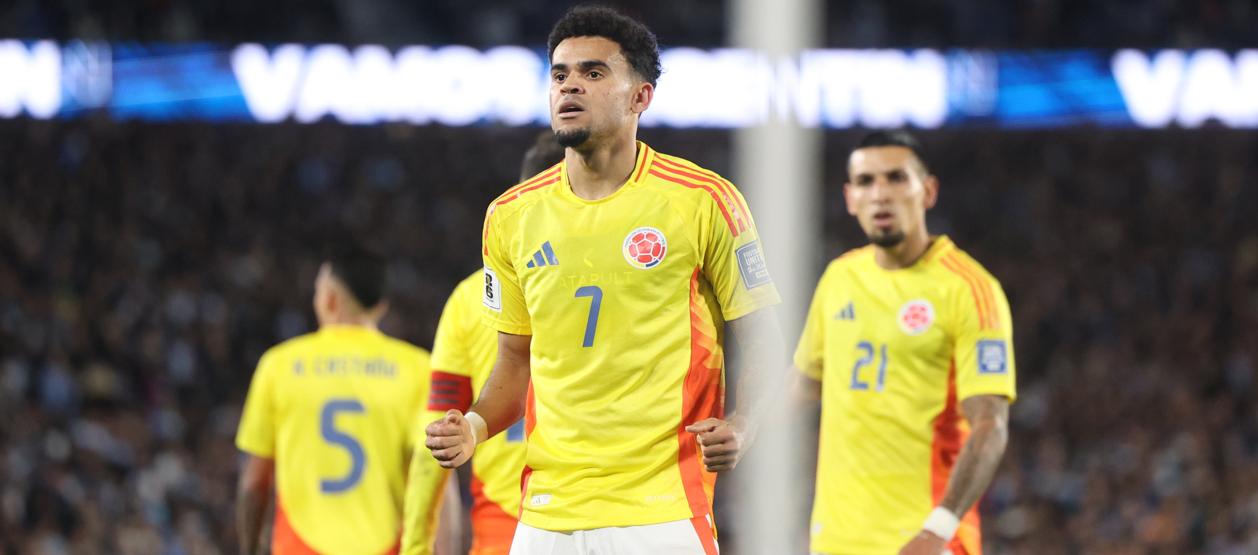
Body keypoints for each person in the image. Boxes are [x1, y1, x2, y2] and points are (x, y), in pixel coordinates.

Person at [426, 6, 785, 554]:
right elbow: (514, 361)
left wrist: (743, 423)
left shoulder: (703, 201)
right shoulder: (509, 216)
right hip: (545, 514)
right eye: (559, 74)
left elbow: (764, 338)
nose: (570, 85)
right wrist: (473, 427)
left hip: (661, 510)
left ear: (641, 96)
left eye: (593, 73)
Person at [794, 131, 1015, 555]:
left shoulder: (969, 289)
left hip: (927, 540)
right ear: (850, 198)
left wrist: (938, 528)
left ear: (927, 191)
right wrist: (738, 427)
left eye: (896, 179)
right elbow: (804, 382)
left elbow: (990, 424)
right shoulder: (840, 278)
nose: (881, 194)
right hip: (837, 541)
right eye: (866, 181)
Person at [402, 131, 565, 555]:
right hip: (608, 518)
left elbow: (437, 437)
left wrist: (417, 546)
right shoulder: (620, 282)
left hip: (503, 529)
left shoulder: (469, 299)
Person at [236, 245, 445, 554]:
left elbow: (255, 485)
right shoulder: (417, 369)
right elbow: (434, 478)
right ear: (381, 304)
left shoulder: (279, 366)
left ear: (329, 299)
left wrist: (250, 549)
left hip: (300, 547)